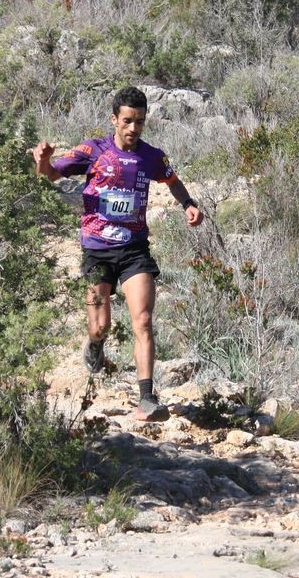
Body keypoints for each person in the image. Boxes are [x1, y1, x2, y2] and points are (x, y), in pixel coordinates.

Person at [32, 86, 203, 422]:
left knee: (143, 320)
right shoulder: (93, 150)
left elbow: (172, 180)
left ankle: (147, 398)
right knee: (100, 327)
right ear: (114, 119)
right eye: (127, 121)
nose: (133, 128)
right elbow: (50, 175)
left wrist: (188, 203)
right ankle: (95, 345)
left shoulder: (152, 156)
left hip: (134, 249)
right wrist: (43, 160)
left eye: (139, 121)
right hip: (97, 251)